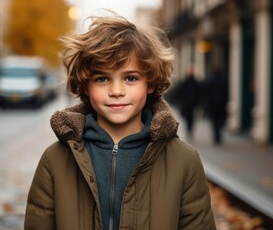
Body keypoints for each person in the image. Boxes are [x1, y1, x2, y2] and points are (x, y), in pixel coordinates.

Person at [24, 13, 216, 230]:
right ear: (86, 86)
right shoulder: (55, 160)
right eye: (102, 79)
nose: (116, 91)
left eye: (131, 78)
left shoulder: (184, 161)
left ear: (150, 83)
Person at [202, 66, 228, 144]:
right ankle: (218, 134)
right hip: (221, 104)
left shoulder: (210, 80)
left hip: (212, 104)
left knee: (214, 121)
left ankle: (216, 135)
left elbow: (205, 92)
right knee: (220, 120)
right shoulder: (223, 80)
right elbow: (226, 92)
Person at [175, 66, 201, 140]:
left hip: (190, 104)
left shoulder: (191, 82)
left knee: (191, 118)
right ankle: (189, 129)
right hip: (188, 104)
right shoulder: (187, 82)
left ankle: (189, 129)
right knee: (189, 118)